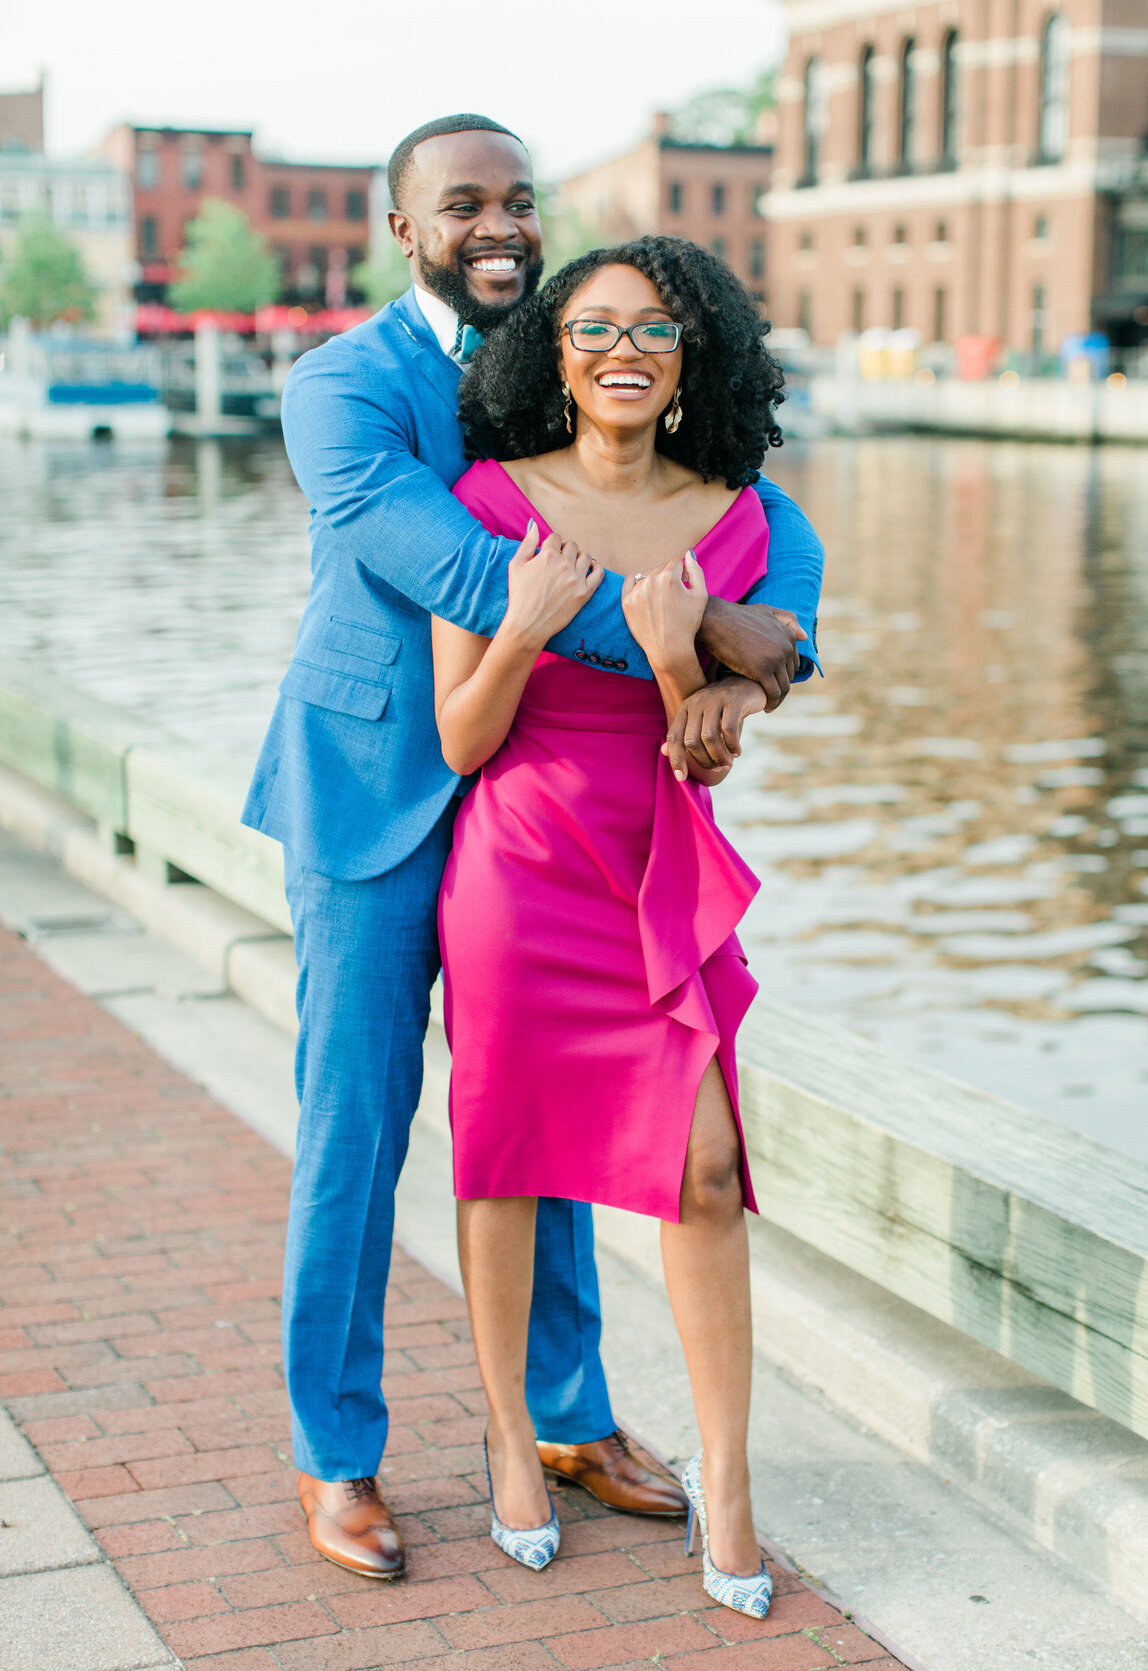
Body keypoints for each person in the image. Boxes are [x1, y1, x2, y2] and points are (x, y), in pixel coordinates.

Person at [242, 113, 823, 1579]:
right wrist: (706, 634)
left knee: (550, 1122)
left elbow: (698, 510)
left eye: (518, 201)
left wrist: (761, 654)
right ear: (403, 227)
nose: (498, 225)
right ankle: (340, 1453)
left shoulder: (558, 349)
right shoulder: (341, 386)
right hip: (379, 796)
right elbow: (457, 565)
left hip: (548, 816)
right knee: (357, 1138)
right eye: (462, 205)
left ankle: (570, 1418)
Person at [434, 237, 817, 1619]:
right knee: (505, 1161)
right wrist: (524, 630)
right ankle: (515, 1452)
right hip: (518, 866)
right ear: (557, 350)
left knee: (706, 1173)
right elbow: (462, 739)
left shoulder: (744, 522)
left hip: (660, 857)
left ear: (689, 355)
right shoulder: (486, 499)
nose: (623, 349)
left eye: (654, 328)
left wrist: (678, 664)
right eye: (593, 326)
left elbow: (709, 737)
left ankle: (728, 1481)